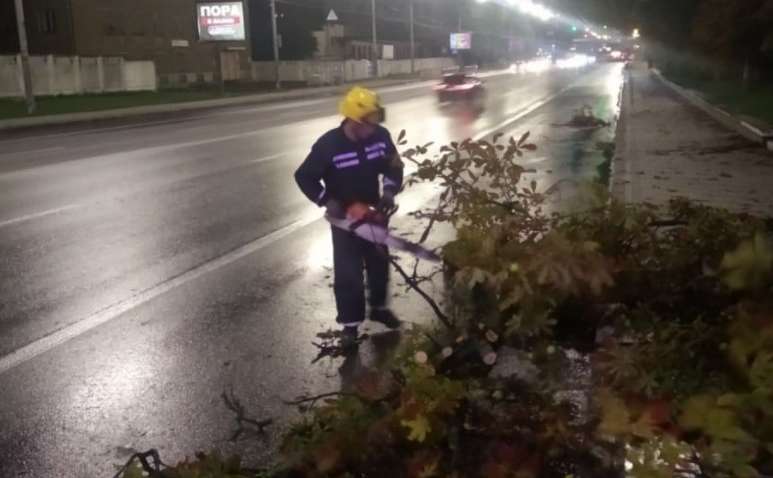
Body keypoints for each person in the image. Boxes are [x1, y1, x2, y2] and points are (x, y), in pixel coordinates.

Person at [294, 86, 404, 349]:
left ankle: (378, 307)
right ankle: (350, 325)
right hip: (345, 221)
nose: (375, 126)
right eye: (370, 121)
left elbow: (394, 166)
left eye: (378, 119)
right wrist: (325, 200)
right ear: (355, 121)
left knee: (379, 265)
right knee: (349, 273)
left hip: (374, 215)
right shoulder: (328, 145)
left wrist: (389, 191)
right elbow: (304, 176)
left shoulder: (380, 137)